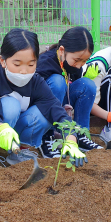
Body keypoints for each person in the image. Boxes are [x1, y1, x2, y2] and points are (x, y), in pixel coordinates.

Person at [0, 28, 87, 173]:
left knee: (46, 115)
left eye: (30, 64)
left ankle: (20, 151)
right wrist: (1, 128)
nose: (24, 71)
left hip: (19, 126)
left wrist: (71, 138)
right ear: (3, 61)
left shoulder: (36, 82)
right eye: (17, 64)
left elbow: (55, 108)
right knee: (11, 105)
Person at [35, 26, 101, 157]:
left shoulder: (75, 65)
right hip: (44, 106)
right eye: (77, 60)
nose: (79, 65)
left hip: (61, 105)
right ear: (61, 50)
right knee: (58, 81)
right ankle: (47, 137)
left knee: (87, 84)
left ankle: (80, 134)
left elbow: (74, 90)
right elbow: (35, 94)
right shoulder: (45, 63)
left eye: (84, 61)